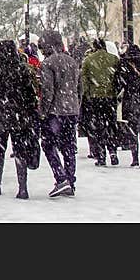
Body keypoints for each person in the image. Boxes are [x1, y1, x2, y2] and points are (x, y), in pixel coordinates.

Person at [0, 40, 41, 199]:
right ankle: (22, 188)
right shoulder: (22, 68)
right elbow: (30, 93)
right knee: (19, 151)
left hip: (1, 114)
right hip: (19, 116)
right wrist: (29, 109)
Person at [38, 30, 82, 197]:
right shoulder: (73, 62)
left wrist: (42, 112)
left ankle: (61, 178)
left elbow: (48, 91)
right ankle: (70, 180)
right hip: (71, 110)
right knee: (69, 146)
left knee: (49, 145)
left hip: (55, 112)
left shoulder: (48, 64)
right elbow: (80, 88)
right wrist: (77, 106)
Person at [80, 38, 120, 166]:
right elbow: (119, 78)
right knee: (111, 125)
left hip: (95, 98)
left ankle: (101, 155)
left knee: (98, 126)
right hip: (110, 98)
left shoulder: (88, 60)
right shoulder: (114, 59)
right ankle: (113, 151)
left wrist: (88, 94)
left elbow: (84, 81)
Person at [115, 43, 140, 167]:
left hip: (130, 100)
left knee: (132, 129)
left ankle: (135, 158)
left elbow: (119, 83)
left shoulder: (124, 64)